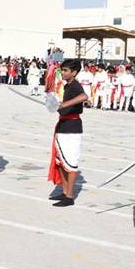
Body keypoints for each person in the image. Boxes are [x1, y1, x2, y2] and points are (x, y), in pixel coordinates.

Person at [48, 59, 88, 207]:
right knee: (62, 163)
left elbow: (84, 97)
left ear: (74, 72)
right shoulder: (67, 85)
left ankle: (70, 196)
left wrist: (65, 104)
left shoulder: (76, 85)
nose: (63, 73)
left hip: (72, 127)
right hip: (63, 125)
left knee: (71, 163)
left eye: (65, 70)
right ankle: (65, 192)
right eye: (62, 70)